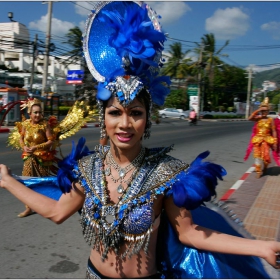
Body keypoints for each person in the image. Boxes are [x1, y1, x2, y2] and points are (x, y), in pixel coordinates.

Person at [1, 2, 280, 278]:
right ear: (104, 119)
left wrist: (261, 247)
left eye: (135, 113)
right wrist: (8, 180)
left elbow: (192, 234)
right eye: (115, 113)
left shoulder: (167, 174)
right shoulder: (88, 169)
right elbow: (57, 211)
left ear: (147, 119)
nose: (124, 124)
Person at [13, 98, 59, 217]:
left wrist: (36, 147)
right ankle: (28, 208)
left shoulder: (45, 125)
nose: (38, 115)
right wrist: (24, 147)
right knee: (26, 181)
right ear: (30, 113)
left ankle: (49, 205)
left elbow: (50, 141)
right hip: (29, 158)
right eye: (35, 112)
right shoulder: (25, 124)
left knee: (43, 182)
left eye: (39, 112)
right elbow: (21, 138)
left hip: (42, 158)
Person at [244, 97, 279, 178]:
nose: (264, 112)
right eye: (263, 111)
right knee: (257, 155)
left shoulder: (270, 120)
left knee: (266, 156)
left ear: (268, 111)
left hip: (267, 140)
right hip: (258, 139)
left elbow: (274, 131)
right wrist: (258, 110)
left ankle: (265, 167)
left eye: (266, 111)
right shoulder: (258, 118)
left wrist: (275, 142)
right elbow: (249, 118)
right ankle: (258, 171)